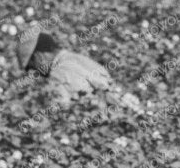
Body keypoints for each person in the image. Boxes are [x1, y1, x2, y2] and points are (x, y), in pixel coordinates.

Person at [15, 25, 143, 111]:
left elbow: (69, 110)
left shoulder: (58, 73)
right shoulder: (77, 58)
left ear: (39, 56)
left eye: (33, 67)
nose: (37, 73)